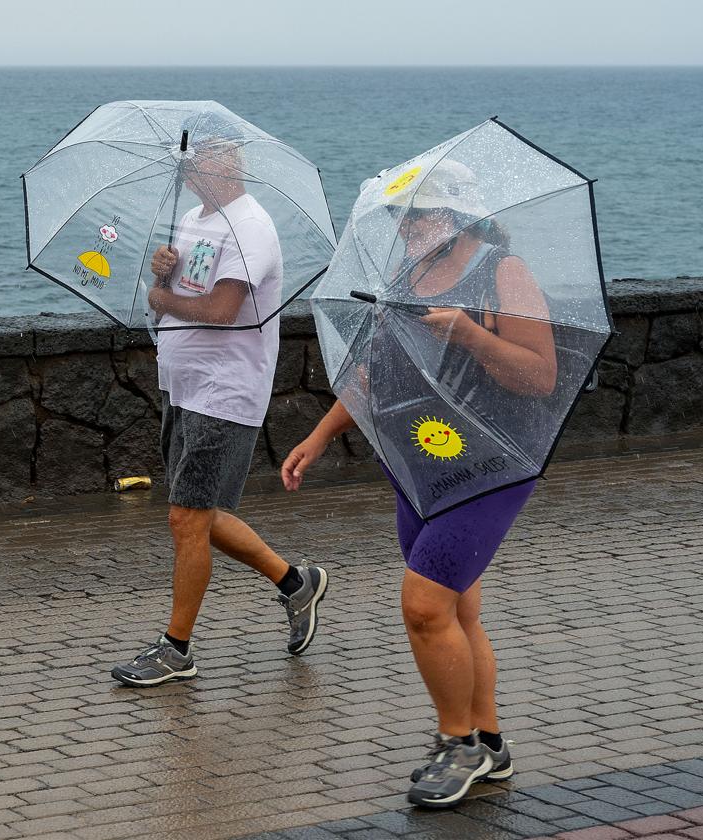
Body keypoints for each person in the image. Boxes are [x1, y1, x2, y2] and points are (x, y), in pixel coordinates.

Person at [280, 162, 557, 808]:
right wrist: (320, 436)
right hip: (420, 465)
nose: (406, 228)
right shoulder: (404, 277)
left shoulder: (502, 272)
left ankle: (456, 742)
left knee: (424, 606)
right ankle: (488, 743)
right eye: (399, 217)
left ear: (456, 215)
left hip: (488, 467)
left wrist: (467, 333)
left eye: (418, 215)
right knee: (459, 611)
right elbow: (374, 372)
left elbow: (540, 375)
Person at [111, 119, 329, 687]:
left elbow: (223, 310)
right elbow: (183, 295)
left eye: (202, 160)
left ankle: (177, 648)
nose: (190, 170)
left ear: (229, 165)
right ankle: (294, 584)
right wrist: (165, 272)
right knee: (200, 512)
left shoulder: (251, 227)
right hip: (182, 384)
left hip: (225, 391)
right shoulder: (192, 220)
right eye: (188, 162)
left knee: (186, 516)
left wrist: (163, 295)